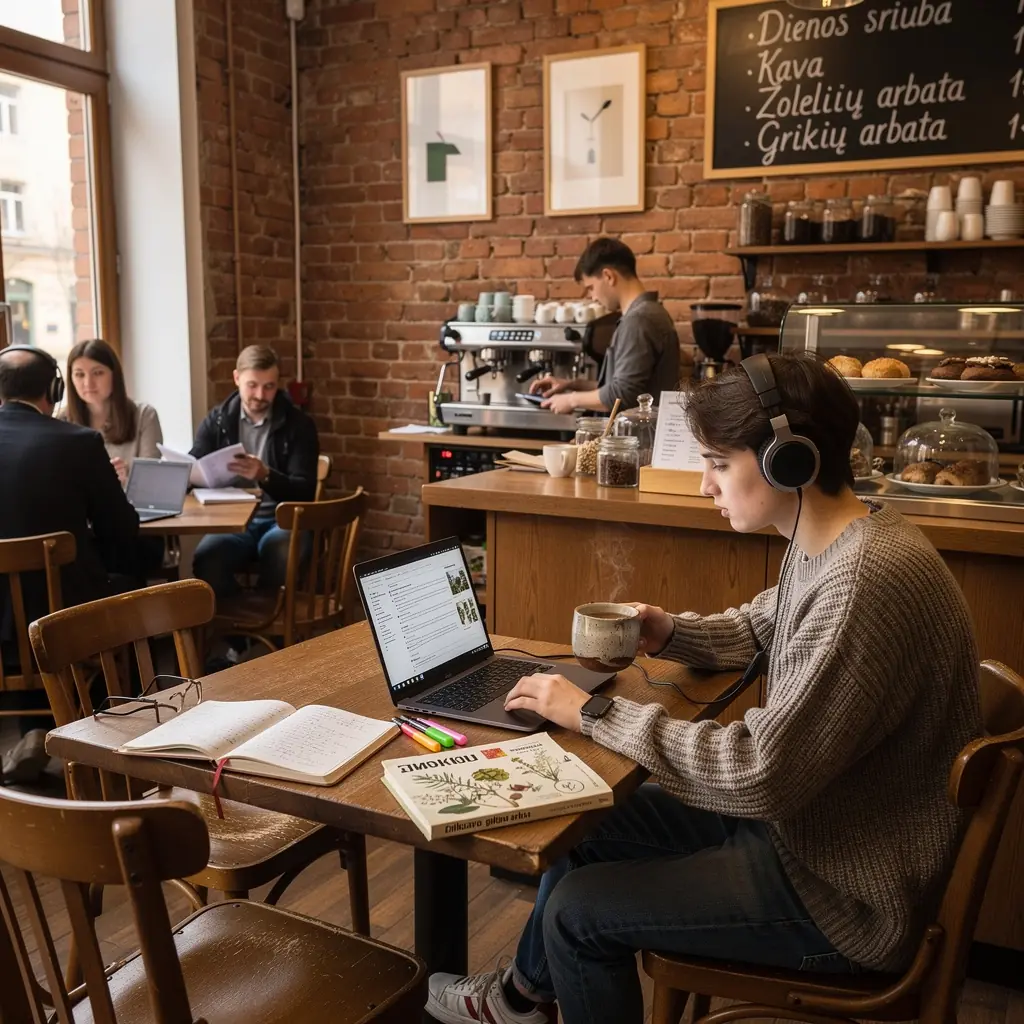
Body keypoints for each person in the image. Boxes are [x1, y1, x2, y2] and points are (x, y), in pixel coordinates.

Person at [426, 353, 981, 1024]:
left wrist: (593, 712)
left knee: (577, 912)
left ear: (788, 459)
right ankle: (521, 1002)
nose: (704, 486)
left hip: (844, 894)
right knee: (584, 816)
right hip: (816, 833)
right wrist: (669, 632)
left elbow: (758, 773)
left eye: (718, 464)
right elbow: (763, 623)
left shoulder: (862, 580)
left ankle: (520, 999)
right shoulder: (849, 537)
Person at [0, 345, 140, 781]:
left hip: (1, 629)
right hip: (63, 622)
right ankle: (121, 741)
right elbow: (122, 530)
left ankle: (32, 733)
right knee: (126, 578)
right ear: (56, 389)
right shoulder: (78, 442)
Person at [191, 344, 318, 599]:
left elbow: (305, 490)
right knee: (207, 558)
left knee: (282, 552)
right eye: (252, 385)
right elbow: (194, 463)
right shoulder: (217, 420)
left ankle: (267, 623)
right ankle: (238, 631)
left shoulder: (298, 424)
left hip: (281, 520)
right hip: (231, 521)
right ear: (237, 378)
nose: (260, 394)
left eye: (269, 386)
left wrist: (265, 475)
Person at [530, 237, 680, 414]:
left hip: (639, 439)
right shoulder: (649, 313)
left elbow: (623, 394)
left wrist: (571, 400)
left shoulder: (639, 320)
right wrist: (572, 385)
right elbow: (625, 385)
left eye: (591, 287)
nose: (592, 297)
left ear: (608, 276)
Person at [62, 338, 163, 486]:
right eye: (79, 374)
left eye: (98, 373)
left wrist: (128, 474)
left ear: (114, 375)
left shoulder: (145, 415)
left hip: (129, 506)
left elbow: (151, 483)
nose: (88, 383)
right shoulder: (61, 420)